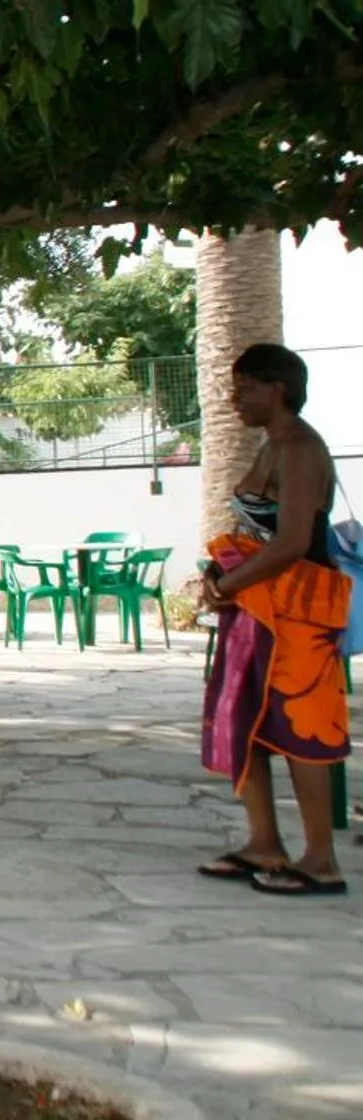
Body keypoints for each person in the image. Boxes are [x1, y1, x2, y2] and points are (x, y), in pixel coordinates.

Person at [196, 344, 351, 896]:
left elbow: (290, 543)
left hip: (299, 612)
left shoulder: (302, 450)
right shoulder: (273, 445)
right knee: (249, 721)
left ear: (278, 388)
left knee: (302, 727)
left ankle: (320, 859)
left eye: (246, 388)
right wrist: (225, 582)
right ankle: (264, 841)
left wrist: (228, 585)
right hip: (257, 608)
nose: (234, 399)